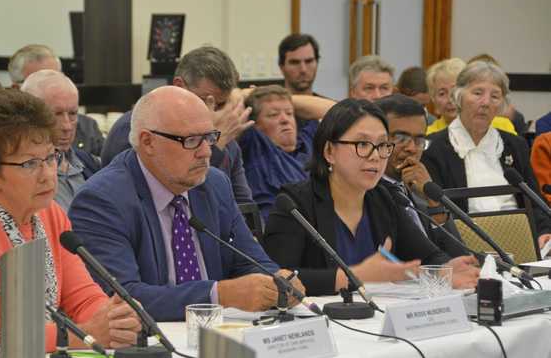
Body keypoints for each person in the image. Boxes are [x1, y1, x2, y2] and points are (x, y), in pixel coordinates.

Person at [0, 90, 141, 356]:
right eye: (30, 163)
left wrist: (112, 319)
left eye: (50, 157)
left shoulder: (51, 214)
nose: (47, 175)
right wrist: (83, 336)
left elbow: (84, 298)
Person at [69, 86, 304, 321]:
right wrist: (218, 295)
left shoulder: (214, 184)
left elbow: (251, 261)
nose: (206, 152)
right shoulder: (102, 200)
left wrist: (277, 282)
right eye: (191, 140)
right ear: (148, 142)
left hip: (221, 334)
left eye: (209, 137)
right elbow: (122, 296)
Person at [262, 99, 478, 296]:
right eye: (363, 144)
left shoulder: (385, 198)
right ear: (329, 151)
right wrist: (355, 276)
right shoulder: (294, 204)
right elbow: (276, 277)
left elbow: (427, 256)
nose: (375, 156)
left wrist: (444, 271)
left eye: (383, 145)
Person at [101, 46, 254, 204]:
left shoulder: (225, 132)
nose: (212, 113)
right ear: (179, 85)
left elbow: (244, 206)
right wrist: (215, 145)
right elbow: (161, 196)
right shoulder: (135, 127)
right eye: (204, 100)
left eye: (221, 105)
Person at [422, 61, 551, 248]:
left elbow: (535, 202)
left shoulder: (515, 145)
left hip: (522, 244)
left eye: (495, 96)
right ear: (458, 96)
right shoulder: (433, 148)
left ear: (501, 105)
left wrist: (545, 232)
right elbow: (435, 216)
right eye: (477, 93)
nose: (485, 103)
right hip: (463, 248)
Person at [375, 94, 467, 257]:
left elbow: (459, 255)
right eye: (400, 138)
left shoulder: (419, 188)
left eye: (419, 140)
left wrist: (434, 202)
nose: (411, 148)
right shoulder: (367, 193)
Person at [21, 69, 99, 211]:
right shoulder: (22, 174)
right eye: (56, 114)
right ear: (28, 115)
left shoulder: (90, 164)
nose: (67, 126)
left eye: (73, 114)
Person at [8, 44, 104, 157]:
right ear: (17, 89)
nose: (67, 126)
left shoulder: (87, 127)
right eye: (39, 80)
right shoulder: (6, 135)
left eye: (56, 77)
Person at [239, 85, 318, 221]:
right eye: (273, 115)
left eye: (289, 113)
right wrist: (248, 94)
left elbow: (336, 110)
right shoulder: (254, 143)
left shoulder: (308, 141)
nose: (284, 120)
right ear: (254, 124)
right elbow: (231, 102)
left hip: (320, 226)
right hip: (278, 229)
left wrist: (287, 98)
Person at [425, 58, 516, 136]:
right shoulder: (428, 135)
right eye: (442, 93)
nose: (450, 99)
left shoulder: (503, 126)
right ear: (433, 99)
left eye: (454, 91)